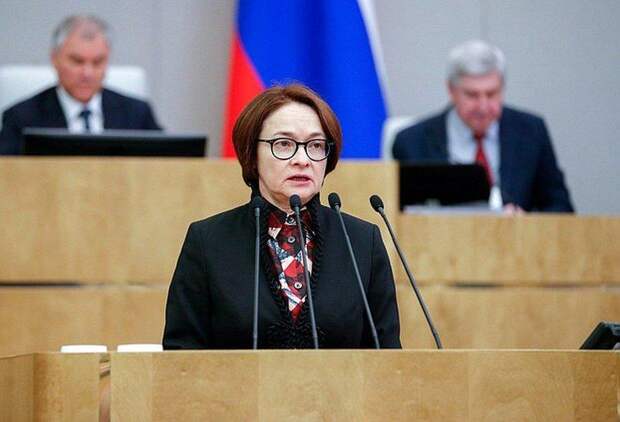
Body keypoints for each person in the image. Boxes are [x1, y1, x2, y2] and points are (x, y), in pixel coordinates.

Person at [163, 84, 401, 349]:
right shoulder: (208, 241)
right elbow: (181, 357)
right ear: (252, 154)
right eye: (284, 144)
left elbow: (388, 358)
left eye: (316, 145)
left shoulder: (362, 242)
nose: (302, 159)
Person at [392, 40, 574, 212]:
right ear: (451, 90)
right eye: (472, 95)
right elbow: (398, 215)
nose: (483, 106)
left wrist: (524, 222)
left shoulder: (531, 131)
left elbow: (561, 208)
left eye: (491, 94)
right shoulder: (412, 142)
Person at [0, 15, 161, 155]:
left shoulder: (137, 114)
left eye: (97, 62)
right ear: (55, 59)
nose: (87, 73)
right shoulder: (22, 118)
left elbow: (166, 163)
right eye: (77, 61)